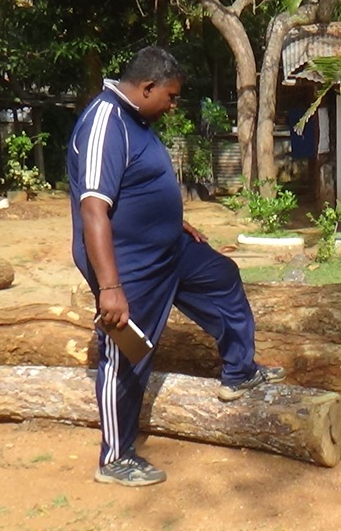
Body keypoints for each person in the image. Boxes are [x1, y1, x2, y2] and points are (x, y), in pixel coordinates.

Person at [67, 46, 284, 486]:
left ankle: (239, 371)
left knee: (222, 277)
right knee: (128, 352)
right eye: (170, 96)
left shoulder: (137, 120)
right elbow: (93, 209)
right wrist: (110, 288)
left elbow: (136, 184)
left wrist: (171, 220)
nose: (173, 105)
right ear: (147, 88)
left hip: (169, 249)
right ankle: (115, 458)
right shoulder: (106, 122)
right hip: (130, 265)